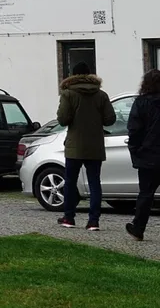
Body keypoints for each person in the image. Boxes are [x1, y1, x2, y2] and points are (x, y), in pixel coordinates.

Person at [57, 61, 116, 230]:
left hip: (74, 145)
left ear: (73, 76)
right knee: (94, 182)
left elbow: (62, 119)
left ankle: (69, 217)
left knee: (70, 181)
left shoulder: (68, 94)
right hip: (95, 145)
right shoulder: (101, 95)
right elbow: (110, 119)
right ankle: (93, 221)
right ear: (90, 75)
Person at [125, 69, 160, 242]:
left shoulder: (141, 103)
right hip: (150, 151)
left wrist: (135, 149)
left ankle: (138, 228)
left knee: (146, 194)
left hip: (148, 155)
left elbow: (134, 129)